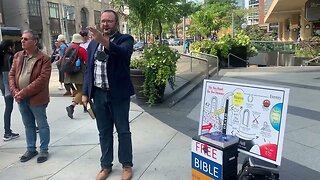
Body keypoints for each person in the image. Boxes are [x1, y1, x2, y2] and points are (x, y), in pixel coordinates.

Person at [83, 10, 134, 180]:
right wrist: (84, 93)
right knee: (104, 132)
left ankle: (126, 165)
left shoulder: (125, 40)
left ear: (116, 23)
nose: (105, 24)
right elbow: (88, 70)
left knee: (123, 131)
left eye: (109, 21)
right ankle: (106, 166)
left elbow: (122, 53)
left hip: (118, 95)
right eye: (103, 21)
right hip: (98, 95)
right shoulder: (92, 45)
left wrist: (102, 40)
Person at [9, 30, 51, 163]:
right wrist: (15, 91)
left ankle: (44, 150)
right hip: (21, 98)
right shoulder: (18, 56)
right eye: (22, 38)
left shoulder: (44, 59)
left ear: (35, 41)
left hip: (37, 98)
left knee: (41, 124)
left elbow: (42, 80)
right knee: (28, 125)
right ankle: (31, 149)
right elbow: (11, 75)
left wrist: (23, 92)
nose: (22, 41)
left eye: (26, 39)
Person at [0, 40, 20, 141]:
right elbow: (14, 72)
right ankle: (7, 132)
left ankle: (7, 131)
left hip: (3, 86)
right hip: (10, 85)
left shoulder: (1, 57)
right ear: (9, 47)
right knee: (24, 105)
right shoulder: (10, 57)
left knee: (8, 108)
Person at [65, 33, 87, 119]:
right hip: (79, 74)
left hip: (70, 73)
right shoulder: (81, 50)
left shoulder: (68, 48)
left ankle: (85, 107)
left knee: (79, 90)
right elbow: (87, 61)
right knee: (83, 91)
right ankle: (72, 106)